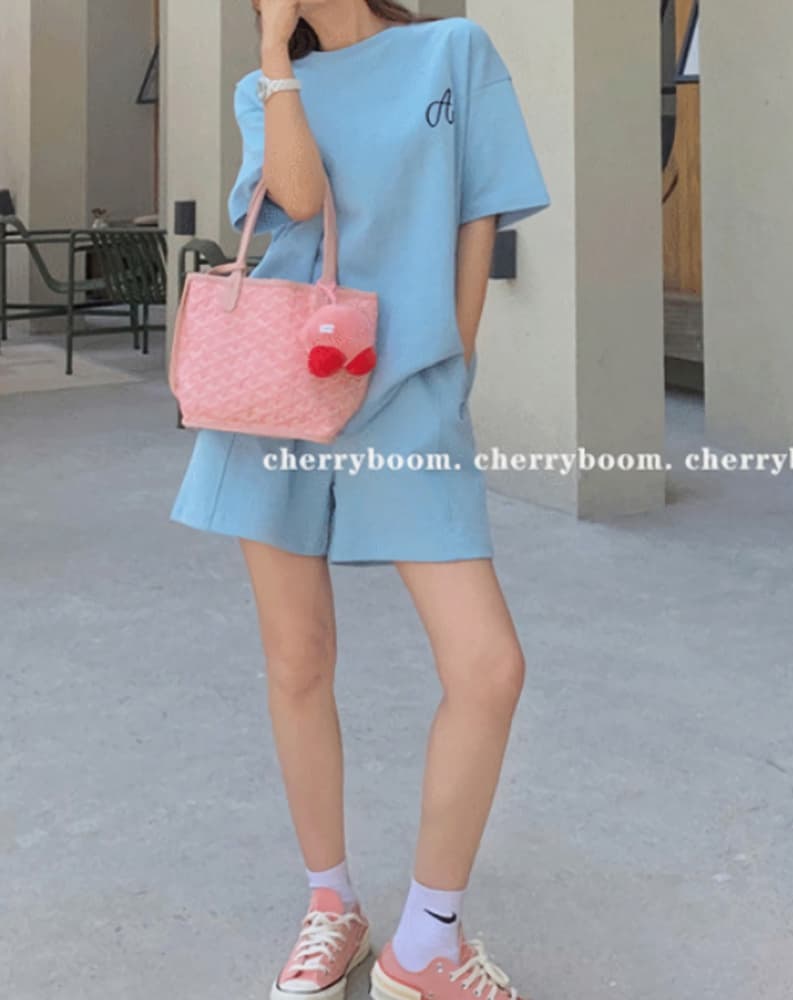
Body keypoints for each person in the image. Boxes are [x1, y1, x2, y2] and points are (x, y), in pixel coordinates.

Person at [169, 1, 550, 998]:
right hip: (281, 389)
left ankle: (426, 939)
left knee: (489, 665)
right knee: (297, 657)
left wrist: (451, 361)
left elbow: (478, 209)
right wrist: (274, 47)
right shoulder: (265, 87)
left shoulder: (451, 51)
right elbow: (298, 199)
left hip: (407, 395)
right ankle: (330, 906)